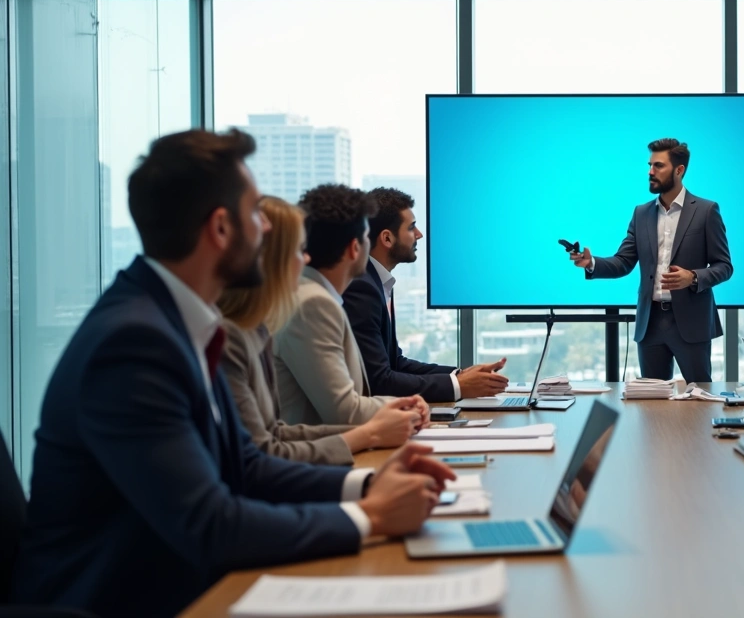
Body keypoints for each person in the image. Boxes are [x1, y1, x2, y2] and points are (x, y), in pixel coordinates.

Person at [12, 129, 454, 617]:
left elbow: (246, 465)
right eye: (254, 215)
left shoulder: (176, 322)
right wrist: (369, 516)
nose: (267, 229)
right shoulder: (135, 343)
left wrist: (368, 486)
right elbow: (211, 524)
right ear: (221, 229)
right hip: (126, 602)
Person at [219, 196, 424, 466]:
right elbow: (341, 411)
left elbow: (275, 434)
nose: (305, 258)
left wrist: (384, 421)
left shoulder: (256, 324)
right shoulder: (309, 304)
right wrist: (375, 431)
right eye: (298, 249)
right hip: (311, 469)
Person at [569, 138, 732, 383]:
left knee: (699, 397)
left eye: (659, 166)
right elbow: (623, 261)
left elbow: (725, 266)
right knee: (652, 399)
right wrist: (591, 263)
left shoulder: (706, 211)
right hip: (650, 324)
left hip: (691, 323)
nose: (650, 172)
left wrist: (692, 277)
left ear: (679, 170)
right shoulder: (641, 213)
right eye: (650, 165)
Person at [274, 184, 425, 425]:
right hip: (325, 446)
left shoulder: (316, 296)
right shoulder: (314, 304)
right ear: (355, 248)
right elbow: (345, 411)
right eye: (366, 238)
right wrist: (409, 405)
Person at [342, 187, 508, 402]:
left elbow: (395, 363)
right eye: (411, 227)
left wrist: (461, 375)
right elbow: (379, 381)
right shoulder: (362, 288)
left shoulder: (376, 281)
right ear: (387, 238)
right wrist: (458, 386)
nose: (419, 234)